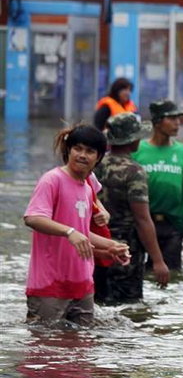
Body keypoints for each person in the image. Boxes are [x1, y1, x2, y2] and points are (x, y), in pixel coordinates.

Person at [23, 124, 130, 326]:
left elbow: (82, 233)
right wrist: (69, 232)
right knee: (45, 350)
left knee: (82, 350)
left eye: (90, 151)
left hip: (82, 284)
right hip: (49, 286)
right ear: (68, 150)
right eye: (77, 149)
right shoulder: (52, 180)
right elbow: (33, 218)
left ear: (98, 158)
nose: (82, 155)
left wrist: (111, 246)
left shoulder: (87, 189)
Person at [94, 113, 169, 303]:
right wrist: (158, 261)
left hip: (94, 244)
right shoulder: (134, 171)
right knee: (128, 307)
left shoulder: (94, 164)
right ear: (132, 140)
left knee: (96, 302)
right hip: (125, 250)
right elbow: (142, 219)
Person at [133, 99, 183, 271]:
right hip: (140, 224)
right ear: (157, 121)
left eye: (179, 118)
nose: (178, 123)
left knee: (170, 275)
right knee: (138, 273)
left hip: (172, 227)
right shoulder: (137, 150)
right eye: (172, 118)